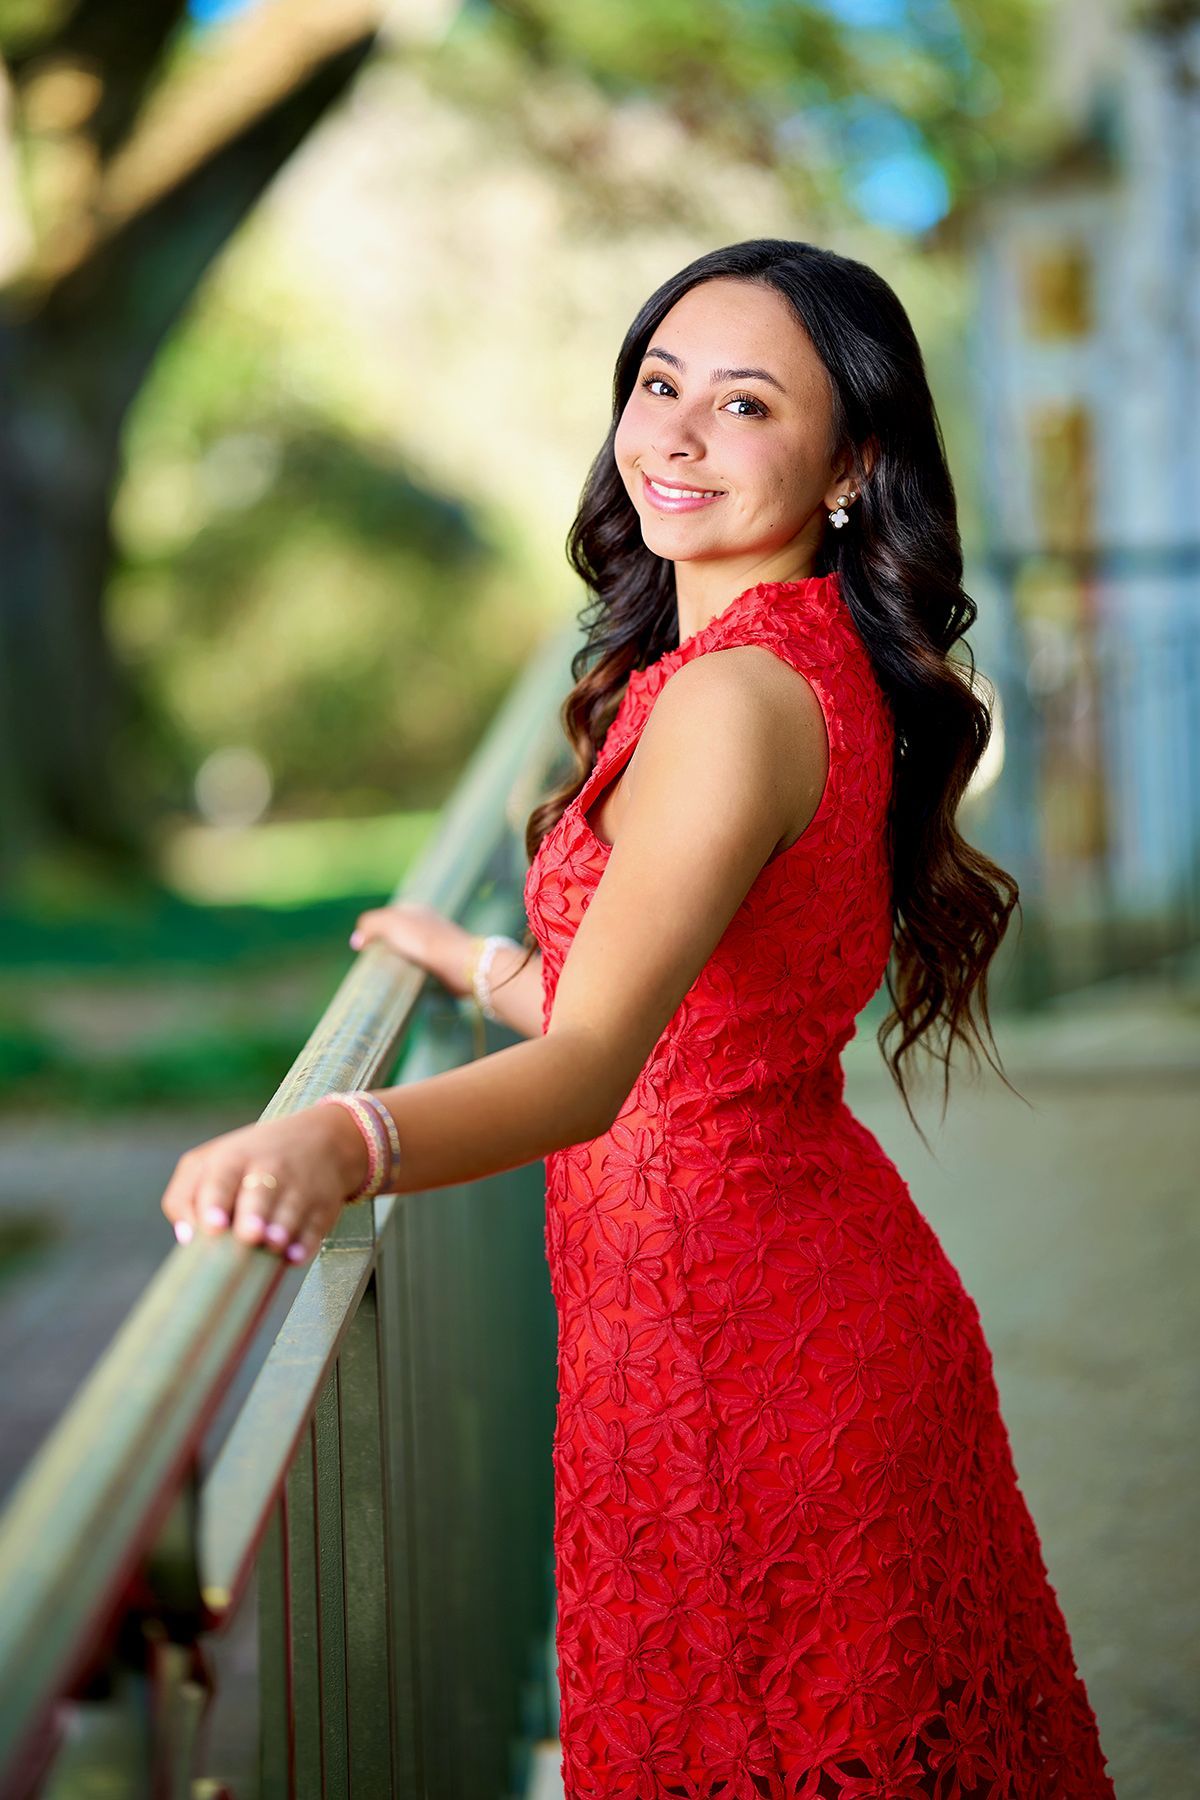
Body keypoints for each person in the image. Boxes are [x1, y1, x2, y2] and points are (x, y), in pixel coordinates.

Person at [161, 238, 1116, 1798]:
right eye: (659, 385)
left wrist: (339, 1136)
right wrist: (468, 964)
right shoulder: (796, 662)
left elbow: (601, 1072)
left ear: (850, 465)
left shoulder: (733, 700)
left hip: (752, 1368)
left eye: (744, 404)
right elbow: (682, 1035)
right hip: (745, 1334)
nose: (674, 435)